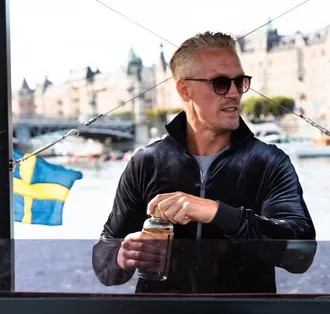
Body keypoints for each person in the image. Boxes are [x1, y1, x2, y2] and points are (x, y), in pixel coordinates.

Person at [92, 31, 316, 293]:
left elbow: (301, 254)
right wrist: (122, 255)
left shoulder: (269, 162)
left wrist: (217, 212)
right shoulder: (146, 162)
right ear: (184, 90)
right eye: (220, 83)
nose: (234, 93)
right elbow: (104, 260)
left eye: (240, 82)